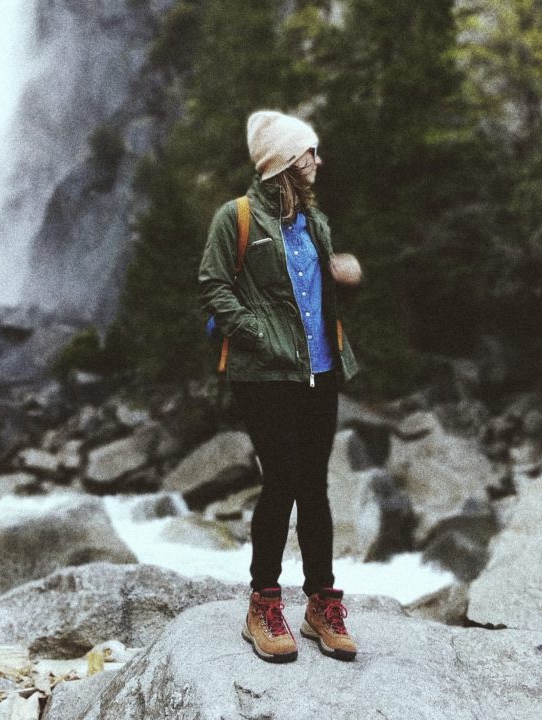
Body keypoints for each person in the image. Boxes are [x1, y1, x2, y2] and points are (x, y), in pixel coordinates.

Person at [198, 110, 362, 663]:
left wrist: (347, 279)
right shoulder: (235, 218)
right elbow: (213, 286)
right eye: (309, 153)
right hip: (264, 374)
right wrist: (257, 334)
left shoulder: (316, 224)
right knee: (283, 481)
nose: (318, 161)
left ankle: (321, 603)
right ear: (286, 162)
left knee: (314, 484)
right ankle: (263, 604)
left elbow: (319, 301)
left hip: (320, 370)